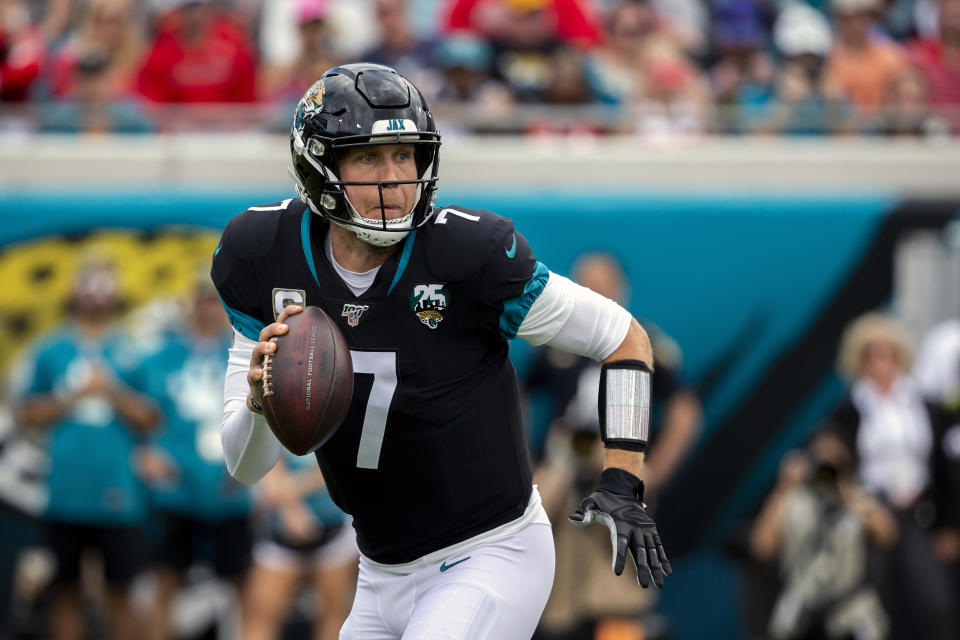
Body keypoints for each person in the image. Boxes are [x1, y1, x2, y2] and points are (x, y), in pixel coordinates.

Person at [212, 62, 671, 638]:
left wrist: (623, 479)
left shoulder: (464, 252)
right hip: (379, 573)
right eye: (368, 158)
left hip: (489, 554)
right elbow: (246, 465)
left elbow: (624, 337)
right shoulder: (262, 252)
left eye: (405, 155)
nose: (394, 178)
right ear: (317, 166)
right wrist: (261, 400)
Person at [14, 257, 160, 640]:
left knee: (121, 591)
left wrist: (110, 390)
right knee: (64, 590)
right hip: (64, 492)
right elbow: (27, 412)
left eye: (104, 286)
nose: (96, 296)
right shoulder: (50, 349)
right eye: (89, 286)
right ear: (74, 292)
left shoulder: (132, 349)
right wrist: (70, 395)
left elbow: (151, 416)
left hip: (119, 492)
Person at [132, 274, 254, 640]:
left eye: (214, 300)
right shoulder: (159, 355)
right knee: (166, 580)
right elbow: (132, 409)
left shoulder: (241, 352)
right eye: (201, 300)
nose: (207, 308)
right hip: (175, 488)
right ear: (189, 304)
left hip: (230, 488)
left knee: (243, 584)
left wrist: (253, 466)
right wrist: (142, 452)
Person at [821, 312, 957, 640]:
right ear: (860, 360)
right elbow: (824, 470)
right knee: (867, 603)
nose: (881, 364)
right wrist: (848, 506)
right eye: (872, 355)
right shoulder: (847, 409)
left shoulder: (924, 405)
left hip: (917, 512)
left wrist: (950, 524)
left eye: (888, 354)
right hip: (869, 515)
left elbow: (944, 467)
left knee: (935, 600)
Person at [749, 430, 896, 640]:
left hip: (850, 610)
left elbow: (888, 534)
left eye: (835, 458)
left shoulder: (856, 498)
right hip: (803, 611)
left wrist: (846, 491)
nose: (826, 467)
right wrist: (784, 487)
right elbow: (761, 547)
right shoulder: (793, 500)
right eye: (821, 457)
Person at [243, 452, 357, 640]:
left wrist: (293, 490)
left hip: (333, 522)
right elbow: (265, 460)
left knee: (335, 611)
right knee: (262, 612)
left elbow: (346, 457)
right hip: (279, 529)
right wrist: (290, 509)